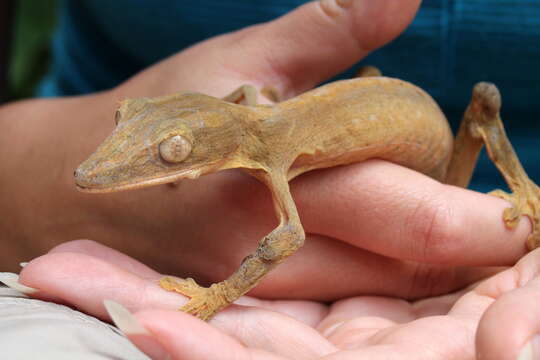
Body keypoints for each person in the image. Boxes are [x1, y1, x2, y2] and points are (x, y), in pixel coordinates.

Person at [0, 0, 538, 358]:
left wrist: (214, 298)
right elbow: (236, 104)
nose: (165, 159)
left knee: (483, 103)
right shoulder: (251, 123)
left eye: (174, 152)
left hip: (453, 185)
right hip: (57, 259)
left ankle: (526, 186)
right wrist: (30, 188)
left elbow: (288, 236)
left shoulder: (269, 145)